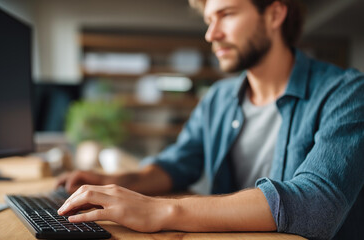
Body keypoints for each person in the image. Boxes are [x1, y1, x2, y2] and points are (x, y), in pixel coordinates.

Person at [57, 0, 364, 239]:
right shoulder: (218, 98)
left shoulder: (347, 93)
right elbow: (177, 163)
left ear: (274, 15)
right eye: (209, 20)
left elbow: (316, 205)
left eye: (226, 14)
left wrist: (161, 210)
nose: (211, 34)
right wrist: (116, 183)